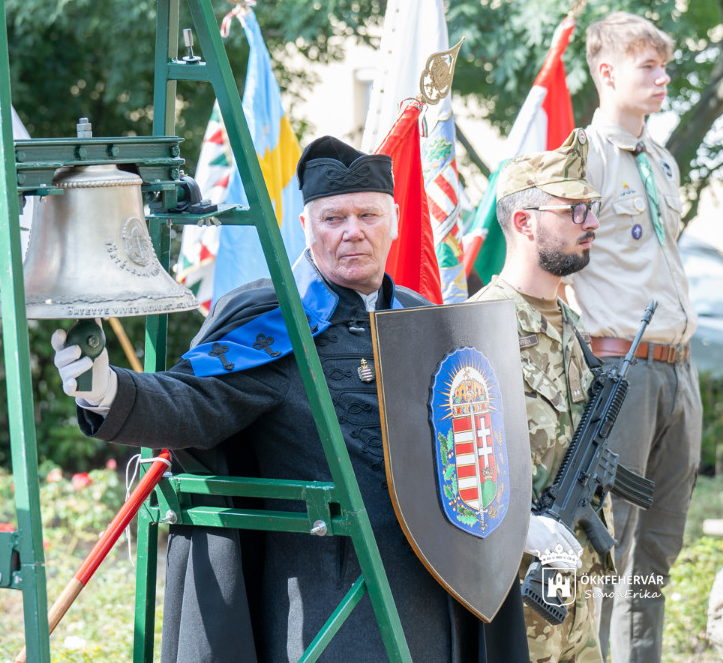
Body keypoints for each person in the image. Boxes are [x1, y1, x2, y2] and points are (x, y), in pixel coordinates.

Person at [51, 137, 528, 663]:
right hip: (331, 607)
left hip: (437, 595)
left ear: (393, 221)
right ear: (305, 227)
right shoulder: (273, 321)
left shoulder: (427, 321)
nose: (353, 232)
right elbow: (194, 399)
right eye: (333, 218)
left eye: (368, 215)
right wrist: (108, 390)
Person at [564, 12, 702, 663]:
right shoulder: (581, 155)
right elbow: (551, 258)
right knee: (611, 546)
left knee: (657, 549)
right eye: (648, 66)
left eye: (664, 66)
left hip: (677, 369)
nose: (663, 78)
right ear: (607, 71)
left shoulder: (663, 160)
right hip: (622, 373)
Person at [471, 129, 611, 662]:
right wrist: (516, 527)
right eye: (574, 210)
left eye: (591, 207)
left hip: (577, 582)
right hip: (515, 592)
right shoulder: (478, 326)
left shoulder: (570, 323)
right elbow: (451, 469)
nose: (591, 222)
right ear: (525, 222)